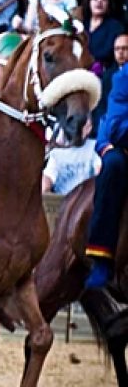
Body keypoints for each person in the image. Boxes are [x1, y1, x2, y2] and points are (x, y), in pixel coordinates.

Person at [84, 52, 128, 289]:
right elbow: (117, 127)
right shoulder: (124, 77)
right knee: (113, 166)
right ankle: (101, 255)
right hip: (122, 145)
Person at [84, 0, 126, 67]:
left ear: (108, 4)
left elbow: (108, 54)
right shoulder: (81, 25)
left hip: (105, 70)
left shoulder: (116, 27)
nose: (99, 2)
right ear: (89, 2)